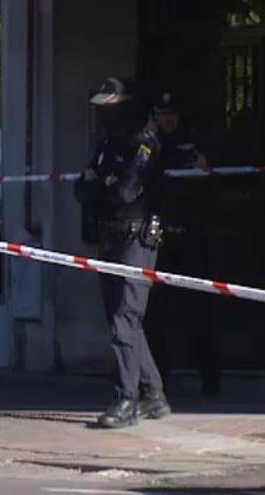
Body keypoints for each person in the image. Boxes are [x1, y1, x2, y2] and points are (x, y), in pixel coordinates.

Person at [75, 77, 172, 429]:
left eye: (110, 107)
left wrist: (103, 184)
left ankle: (126, 400)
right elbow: (80, 188)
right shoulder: (106, 145)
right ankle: (153, 394)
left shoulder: (144, 145)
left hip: (137, 239)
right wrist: (104, 184)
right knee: (122, 319)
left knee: (125, 318)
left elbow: (127, 192)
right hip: (109, 238)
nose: (104, 115)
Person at [145, 91, 221, 395]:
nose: (168, 119)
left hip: (190, 233)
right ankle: (157, 379)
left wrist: (207, 168)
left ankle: (210, 379)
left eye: (172, 113)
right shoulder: (149, 144)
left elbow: (213, 178)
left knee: (199, 308)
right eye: (163, 114)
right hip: (160, 235)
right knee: (155, 312)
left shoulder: (192, 141)